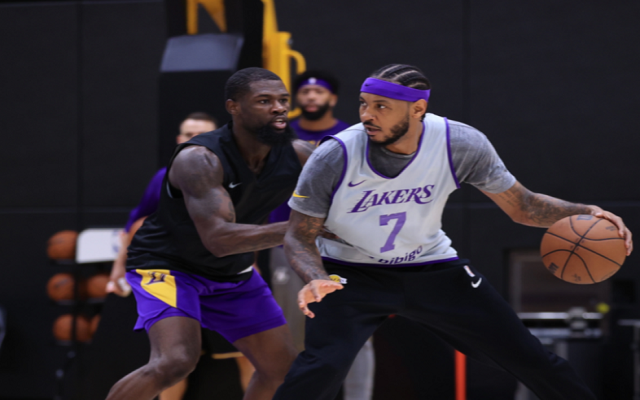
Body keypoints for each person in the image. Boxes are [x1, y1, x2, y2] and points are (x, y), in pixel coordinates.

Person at [273, 64, 634, 400]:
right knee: (321, 367)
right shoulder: (335, 155)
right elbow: (298, 234)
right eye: (363, 104)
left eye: (381, 106)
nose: (367, 114)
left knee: (530, 357)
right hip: (351, 274)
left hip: (431, 269)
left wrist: (585, 212)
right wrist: (315, 276)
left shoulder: (459, 143)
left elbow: (522, 206)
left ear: (417, 109)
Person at [106, 67, 313, 400]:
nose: (278, 108)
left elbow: (349, 192)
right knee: (175, 361)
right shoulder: (199, 159)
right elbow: (219, 240)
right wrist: (306, 229)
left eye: (283, 100)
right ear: (233, 107)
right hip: (170, 267)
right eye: (264, 101)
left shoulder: (298, 154)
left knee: (281, 369)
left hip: (233, 271)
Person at [106, 112, 255, 400]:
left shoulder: (236, 178)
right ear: (179, 140)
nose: (195, 140)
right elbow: (135, 225)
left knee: (249, 356)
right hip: (175, 277)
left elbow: (250, 228)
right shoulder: (164, 178)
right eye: (188, 135)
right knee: (174, 362)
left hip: (224, 278)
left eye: (202, 135)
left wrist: (252, 268)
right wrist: (117, 269)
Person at [268, 70, 374, 400]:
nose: (311, 97)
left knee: (355, 330)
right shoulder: (280, 135)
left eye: (319, 92)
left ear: (333, 98)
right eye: (305, 92)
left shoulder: (353, 135)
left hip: (344, 241)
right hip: (286, 239)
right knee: (293, 330)